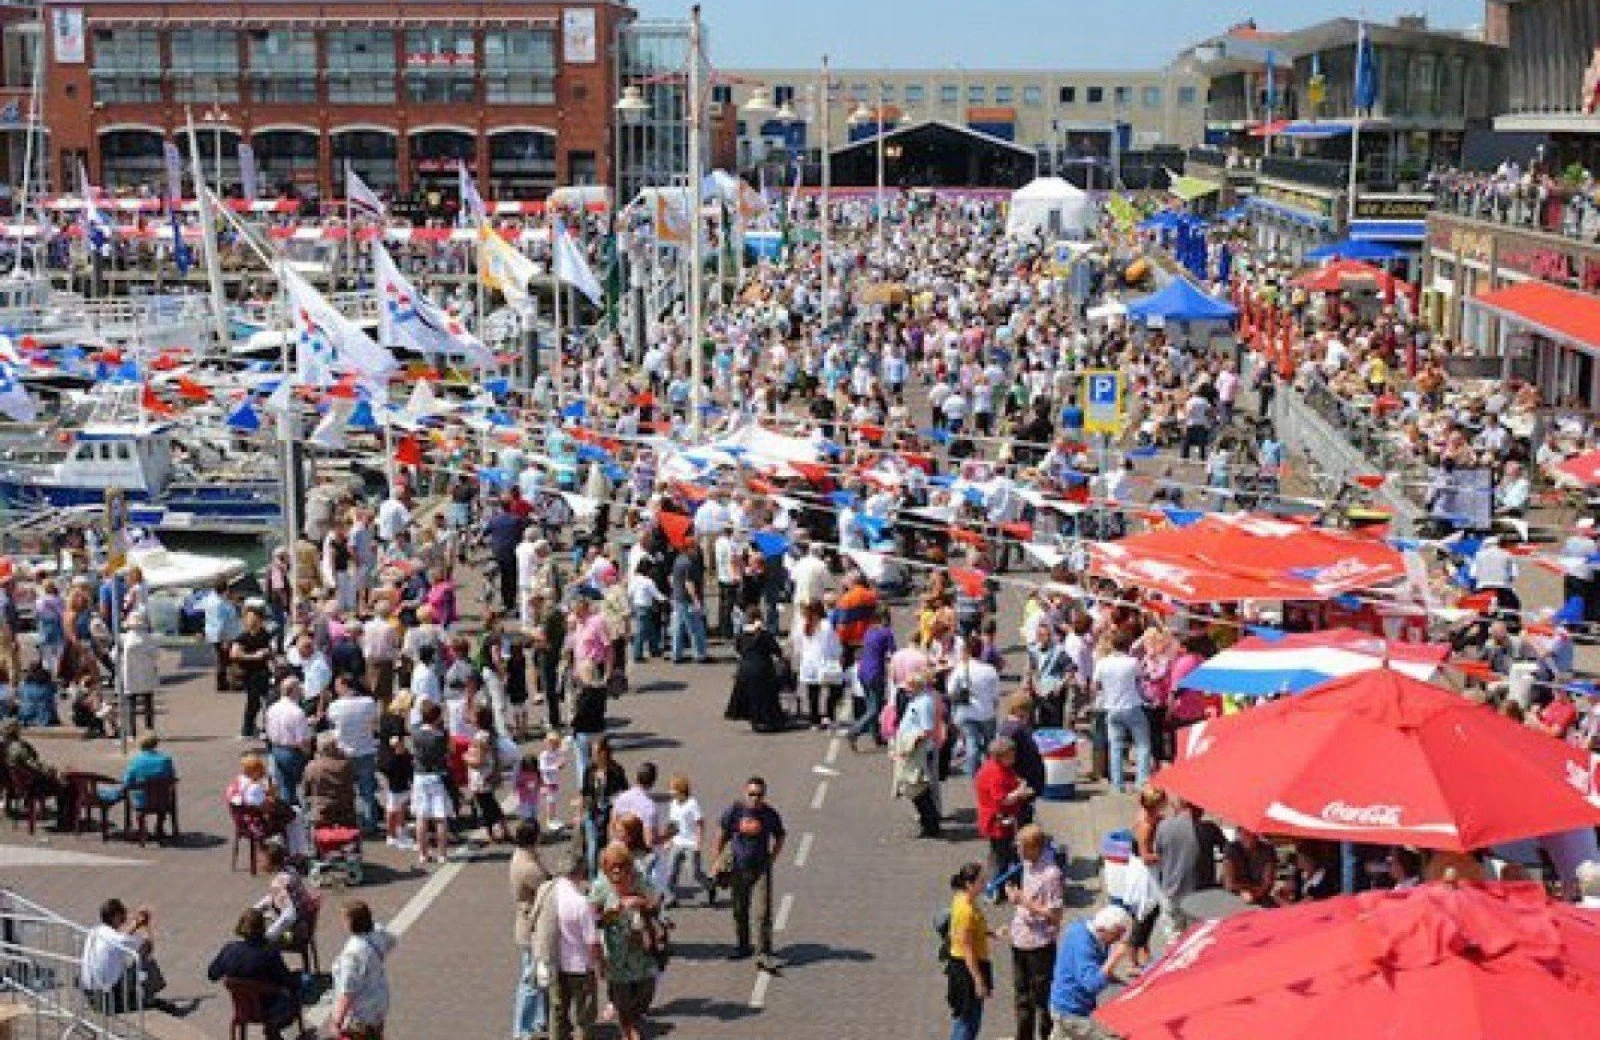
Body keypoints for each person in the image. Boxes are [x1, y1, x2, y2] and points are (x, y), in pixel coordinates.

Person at [589, 842, 665, 1040]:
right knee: (622, 994)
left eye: (621, 865)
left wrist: (639, 902)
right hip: (615, 950)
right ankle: (627, 1030)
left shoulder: (639, 879)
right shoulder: (600, 886)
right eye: (612, 866)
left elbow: (656, 901)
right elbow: (591, 916)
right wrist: (608, 914)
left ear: (629, 865)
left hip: (641, 946)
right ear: (605, 867)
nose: (616, 870)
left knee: (645, 991)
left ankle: (634, 1017)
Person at [531, 852, 602, 1040]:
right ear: (579, 872)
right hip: (580, 965)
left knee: (558, 1012)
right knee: (584, 1015)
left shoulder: (546, 890)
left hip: (555, 962)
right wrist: (599, 964)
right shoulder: (580, 903)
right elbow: (592, 941)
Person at [716, 776, 786, 968]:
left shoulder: (770, 814)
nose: (755, 798)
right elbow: (722, 834)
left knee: (763, 912)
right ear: (745, 792)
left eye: (759, 794)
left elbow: (780, 835)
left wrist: (772, 857)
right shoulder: (734, 811)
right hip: (738, 868)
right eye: (752, 794)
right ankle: (743, 945)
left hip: (760, 868)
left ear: (764, 795)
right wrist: (717, 861)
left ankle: (763, 951)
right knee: (739, 909)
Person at [1007, 824, 1064, 1040]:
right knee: (1021, 996)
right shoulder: (1027, 864)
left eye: (1020, 845)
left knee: (1042, 998)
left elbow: (1056, 915)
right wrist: (1015, 897)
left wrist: (1026, 902)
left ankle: (1046, 1035)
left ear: (1033, 848)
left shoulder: (1051, 875)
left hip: (1039, 945)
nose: (1017, 849)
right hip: (1020, 938)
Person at [206, 908, 298, 1035]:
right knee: (296, 992)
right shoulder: (269, 953)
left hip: (243, 1009)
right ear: (262, 928)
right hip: (269, 1007)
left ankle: (272, 1031)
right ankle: (273, 1030)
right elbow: (287, 980)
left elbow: (212, 975)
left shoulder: (230, 949)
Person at [1048, 906, 1133, 1039]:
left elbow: (1101, 971)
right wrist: (1115, 957)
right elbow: (1092, 983)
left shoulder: (1087, 929)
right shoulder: (1084, 944)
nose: (1116, 941)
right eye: (1116, 936)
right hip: (1071, 1011)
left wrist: (1127, 986)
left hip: (1064, 1005)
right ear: (1105, 929)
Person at [1152, 797, 1226, 942]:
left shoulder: (1163, 827)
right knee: (1198, 940)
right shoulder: (1209, 829)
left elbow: (1159, 854)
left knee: (1174, 941)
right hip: (1200, 894)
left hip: (1171, 892)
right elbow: (1228, 852)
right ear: (1200, 809)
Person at [80, 899, 165, 1015]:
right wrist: (146, 925)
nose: (126, 916)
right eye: (123, 913)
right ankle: (143, 998)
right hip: (107, 998)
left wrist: (136, 925)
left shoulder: (95, 931)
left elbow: (121, 938)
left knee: (126, 963)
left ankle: (129, 996)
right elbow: (148, 946)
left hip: (90, 994)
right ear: (116, 917)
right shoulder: (117, 939)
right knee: (146, 960)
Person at [329, 901, 397, 1040]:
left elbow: (348, 992)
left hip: (360, 1014)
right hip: (378, 1002)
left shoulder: (352, 954)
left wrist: (336, 1022)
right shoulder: (377, 932)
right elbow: (391, 940)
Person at [510, 822, 552, 1040]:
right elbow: (547, 887)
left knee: (538, 977)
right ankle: (522, 1030)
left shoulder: (524, 855)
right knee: (530, 980)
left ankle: (538, 1020)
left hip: (528, 925)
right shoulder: (528, 866)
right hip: (531, 929)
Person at [1095, 631, 1151, 793]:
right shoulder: (1133, 662)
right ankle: (1141, 781)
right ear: (1128, 646)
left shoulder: (1102, 663)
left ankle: (1117, 784)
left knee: (1115, 746)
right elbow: (1141, 678)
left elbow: (1096, 686)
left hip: (1111, 707)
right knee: (1142, 744)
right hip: (1132, 705)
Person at [326, 677, 381, 834]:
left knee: (344, 790)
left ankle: (348, 822)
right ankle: (370, 823)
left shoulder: (335, 706)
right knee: (367, 791)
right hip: (365, 750)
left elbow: (332, 725)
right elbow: (373, 723)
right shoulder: (368, 703)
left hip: (343, 753)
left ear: (344, 685)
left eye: (337, 685)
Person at [945, 862, 993, 1040]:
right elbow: (967, 948)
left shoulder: (962, 899)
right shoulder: (966, 910)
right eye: (981, 881)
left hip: (964, 966)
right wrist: (978, 980)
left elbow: (972, 931)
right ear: (969, 884)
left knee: (967, 1020)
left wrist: (992, 933)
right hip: (967, 970)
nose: (985, 884)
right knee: (968, 1022)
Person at [974, 737, 1034, 879]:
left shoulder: (999, 767)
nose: (1014, 759)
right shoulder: (995, 774)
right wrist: (1019, 793)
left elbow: (1012, 779)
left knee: (1003, 852)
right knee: (1002, 855)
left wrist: (1019, 784)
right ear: (1000, 756)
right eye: (1010, 756)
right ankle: (997, 886)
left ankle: (1004, 880)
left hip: (1003, 818)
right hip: (998, 821)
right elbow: (1002, 800)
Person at [950, 635, 1001, 776]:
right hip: (986, 712)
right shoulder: (990, 670)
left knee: (972, 742)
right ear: (981, 651)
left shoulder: (961, 668)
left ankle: (973, 773)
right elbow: (995, 695)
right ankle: (993, 770)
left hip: (966, 712)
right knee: (990, 742)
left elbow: (950, 690)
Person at [410, 700, 453, 867]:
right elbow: (450, 750)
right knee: (440, 817)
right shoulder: (441, 736)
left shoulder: (416, 733)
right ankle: (442, 853)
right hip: (437, 775)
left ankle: (423, 853)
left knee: (422, 817)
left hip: (420, 775)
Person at [726, 615, 787, 732]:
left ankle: (753, 718)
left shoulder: (741, 635)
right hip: (762, 669)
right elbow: (777, 651)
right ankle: (769, 719)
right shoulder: (765, 635)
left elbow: (738, 651)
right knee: (768, 693)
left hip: (745, 670)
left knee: (749, 695)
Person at [579, 735, 628, 876]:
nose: (593, 756)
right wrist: (580, 813)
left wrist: (617, 803)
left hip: (610, 814)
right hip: (593, 812)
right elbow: (585, 792)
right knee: (593, 847)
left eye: (596, 752)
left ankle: (607, 876)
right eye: (592, 753)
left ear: (605, 752)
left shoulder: (616, 770)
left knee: (608, 846)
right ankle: (594, 878)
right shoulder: (589, 770)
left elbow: (624, 791)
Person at [792, 600, 844, 728]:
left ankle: (814, 719)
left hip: (809, 662)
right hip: (824, 661)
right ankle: (828, 715)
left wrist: (801, 655)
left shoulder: (802, 625)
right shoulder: (826, 625)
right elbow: (833, 644)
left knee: (813, 693)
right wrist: (838, 655)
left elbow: (797, 644)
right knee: (834, 690)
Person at [665, 773, 711, 908]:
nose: (671, 792)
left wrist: (699, 842)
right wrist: (668, 840)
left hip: (690, 844)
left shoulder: (692, 804)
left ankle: (709, 885)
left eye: (673, 789)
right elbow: (672, 823)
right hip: (676, 842)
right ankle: (671, 898)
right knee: (671, 871)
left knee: (694, 873)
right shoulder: (673, 803)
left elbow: (700, 823)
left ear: (681, 790)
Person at [232, 606, 274, 740]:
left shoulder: (265, 635)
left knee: (268, 702)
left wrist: (269, 653)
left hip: (264, 672)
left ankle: (268, 729)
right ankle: (247, 729)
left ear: (261, 620)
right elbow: (234, 653)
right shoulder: (242, 637)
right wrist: (253, 656)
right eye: (248, 618)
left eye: (254, 618)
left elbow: (271, 650)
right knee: (252, 702)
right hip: (250, 673)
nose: (251, 621)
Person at [302, 732, 358, 830]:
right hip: (345, 809)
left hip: (321, 811)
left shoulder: (311, 767)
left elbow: (306, 790)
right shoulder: (346, 765)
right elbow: (352, 782)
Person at [1221, 827, 1279, 906]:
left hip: (1260, 898)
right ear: (1238, 833)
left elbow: (1268, 884)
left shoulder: (1268, 850)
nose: (1251, 837)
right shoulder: (1231, 848)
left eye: (1254, 833)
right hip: (1234, 898)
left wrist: (1254, 895)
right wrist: (1254, 888)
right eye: (1246, 833)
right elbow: (1229, 884)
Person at [203, 578, 241, 694]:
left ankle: (223, 682)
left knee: (221, 659)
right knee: (226, 660)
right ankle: (225, 683)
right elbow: (222, 622)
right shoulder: (220, 603)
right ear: (224, 589)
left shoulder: (210, 599)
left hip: (213, 633)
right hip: (223, 635)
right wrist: (224, 638)